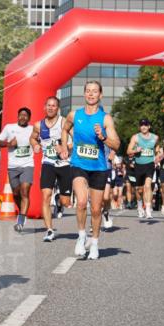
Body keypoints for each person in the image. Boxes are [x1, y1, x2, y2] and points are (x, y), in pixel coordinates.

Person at [63, 81, 121, 260]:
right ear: (84, 94)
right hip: (79, 164)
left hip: (98, 167)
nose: (91, 94)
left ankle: (94, 243)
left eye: (94, 92)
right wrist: (64, 147)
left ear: (100, 95)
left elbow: (116, 144)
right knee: (81, 202)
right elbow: (64, 129)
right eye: (88, 91)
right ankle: (81, 237)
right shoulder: (74, 115)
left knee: (96, 209)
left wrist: (103, 137)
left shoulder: (105, 119)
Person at [31, 96, 72, 242]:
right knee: (45, 195)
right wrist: (35, 145)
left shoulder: (63, 122)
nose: (50, 108)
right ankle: (49, 230)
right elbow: (33, 138)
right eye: (48, 105)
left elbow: (75, 140)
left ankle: (59, 201)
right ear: (44, 107)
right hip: (47, 163)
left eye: (54, 106)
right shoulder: (38, 125)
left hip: (64, 164)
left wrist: (65, 148)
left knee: (66, 201)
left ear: (58, 108)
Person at [0, 107, 36, 232]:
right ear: (18, 116)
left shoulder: (33, 129)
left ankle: (21, 220)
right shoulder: (9, 128)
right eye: (21, 115)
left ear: (29, 118)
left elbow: (39, 140)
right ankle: (21, 212)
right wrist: (9, 144)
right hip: (13, 166)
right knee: (16, 193)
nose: (23, 117)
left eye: (25, 116)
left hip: (27, 164)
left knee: (25, 190)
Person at [127, 119, 159, 219]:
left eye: (145, 125)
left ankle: (148, 210)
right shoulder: (135, 137)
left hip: (150, 165)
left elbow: (157, 149)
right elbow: (128, 151)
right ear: (139, 127)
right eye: (141, 125)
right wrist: (136, 150)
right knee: (139, 190)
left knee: (148, 186)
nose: (143, 127)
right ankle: (140, 206)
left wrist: (158, 156)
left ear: (149, 126)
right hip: (139, 165)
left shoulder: (155, 137)